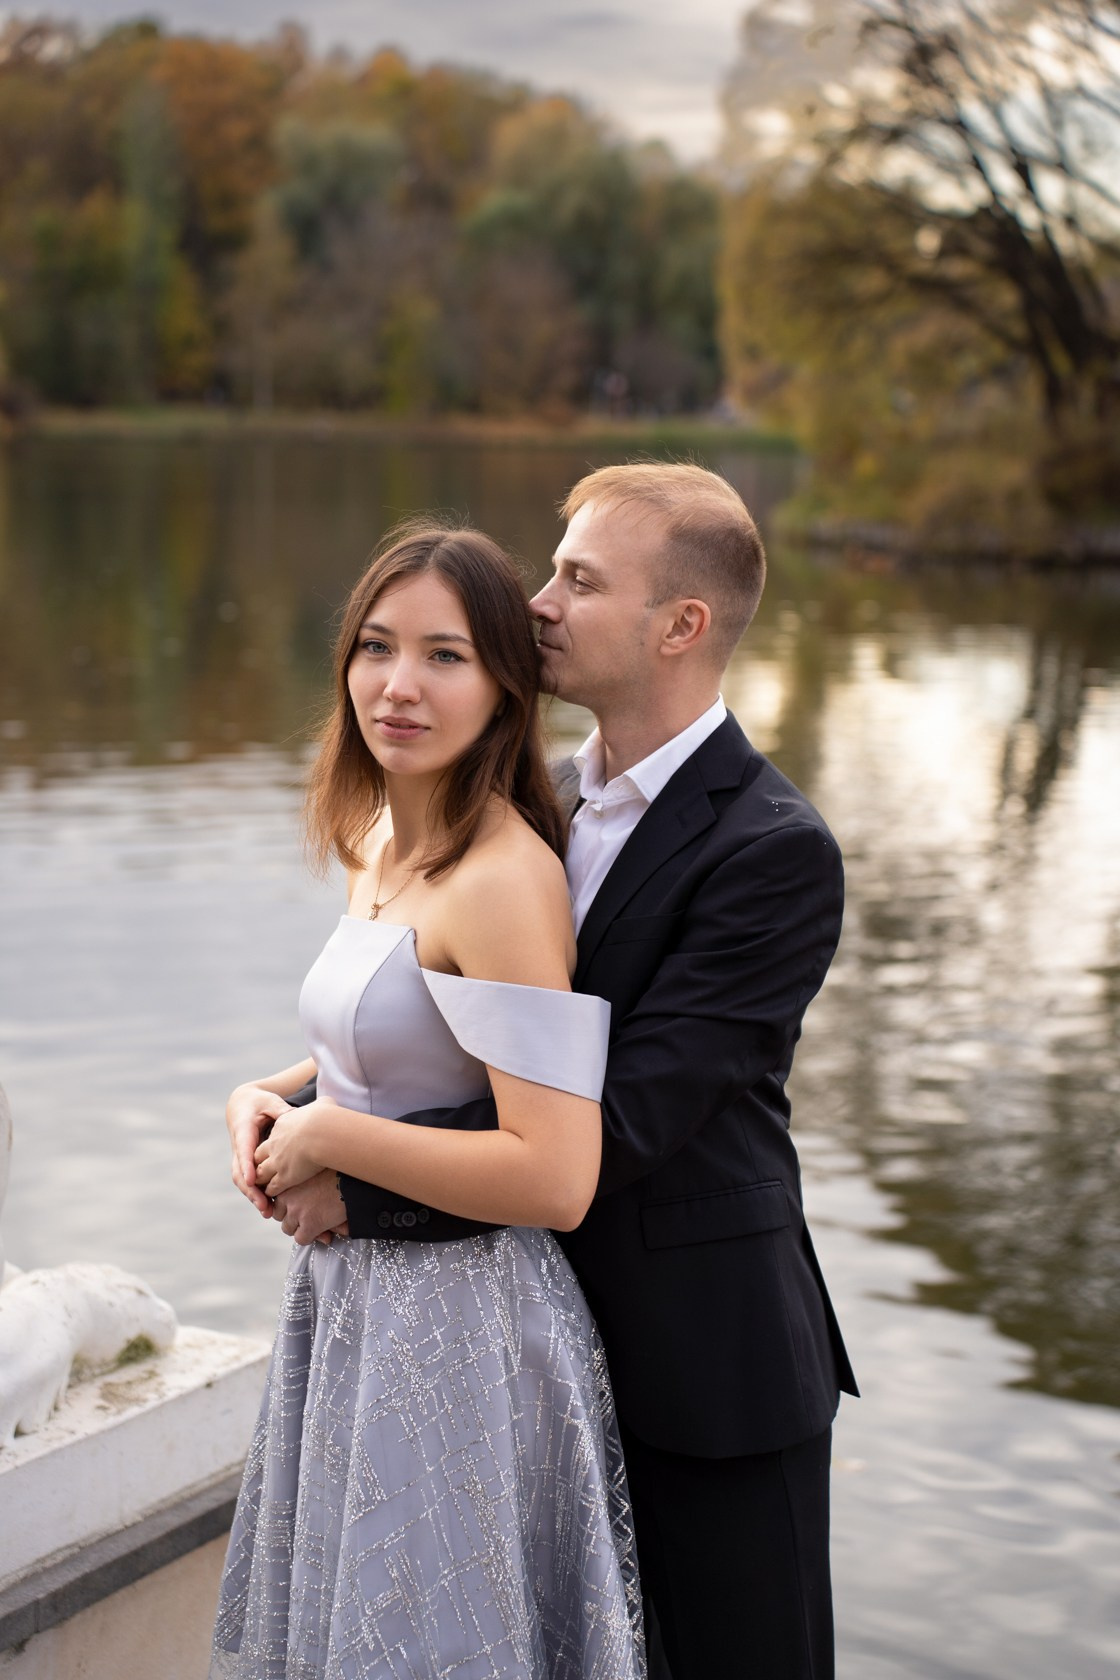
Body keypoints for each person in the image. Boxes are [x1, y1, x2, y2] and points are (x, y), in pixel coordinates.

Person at [270, 462, 857, 1680]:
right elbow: (457, 1029)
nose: (537, 603)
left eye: (579, 581)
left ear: (678, 626)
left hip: (701, 1369)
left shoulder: (771, 851)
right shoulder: (539, 800)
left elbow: (616, 1119)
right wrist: (292, 1097)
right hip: (524, 1350)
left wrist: (355, 1178)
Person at [213, 522, 646, 1680]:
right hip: (351, 1302)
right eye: (375, 646)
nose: (397, 685)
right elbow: (400, 1042)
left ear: (505, 688)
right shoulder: (379, 840)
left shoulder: (503, 880)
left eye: (444, 656)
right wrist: (273, 1091)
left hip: (458, 1320)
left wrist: (330, 1134)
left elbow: (555, 1171)